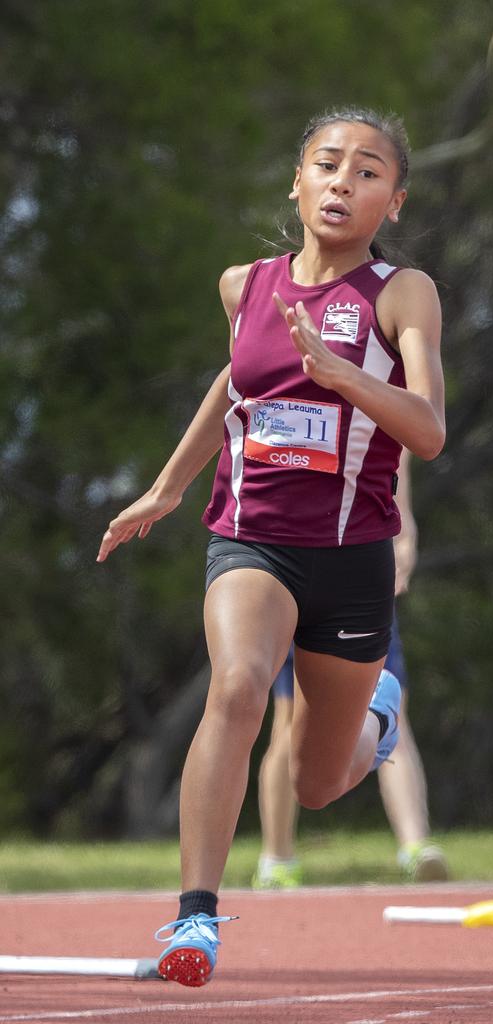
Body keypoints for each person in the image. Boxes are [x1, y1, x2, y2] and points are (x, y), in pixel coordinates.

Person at [97, 106, 445, 988]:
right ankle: (196, 920)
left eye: (368, 172)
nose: (343, 181)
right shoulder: (243, 284)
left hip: (354, 553)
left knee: (321, 782)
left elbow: (430, 431)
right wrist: (170, 485)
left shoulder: (402, 294)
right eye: (327, 164)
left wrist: (346, 376)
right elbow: (236, 381)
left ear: (392, 201)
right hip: (252, 540)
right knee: (240, 687)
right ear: (296, 183)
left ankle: (379, 711)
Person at [256, 450, 448, 888]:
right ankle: (277, 856)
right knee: (288, 721)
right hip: (286, 562)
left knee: (389, 712)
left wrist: (404, 529)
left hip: (357, 562)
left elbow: (398, 445)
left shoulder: (365, 384)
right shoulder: (273, 393)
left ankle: (416, 846)